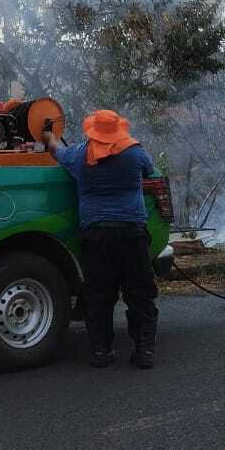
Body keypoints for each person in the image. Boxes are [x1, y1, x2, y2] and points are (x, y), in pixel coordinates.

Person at [42, 109, 159, 369]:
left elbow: (55, 150)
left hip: (96, 234)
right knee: (140, 293)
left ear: (93, 131)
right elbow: (150, 172)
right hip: (132, 232)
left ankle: (101, 351)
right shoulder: (136, 153)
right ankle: (144, 351)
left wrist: (48, 135)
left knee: (99, 294)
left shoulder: (79, 154)